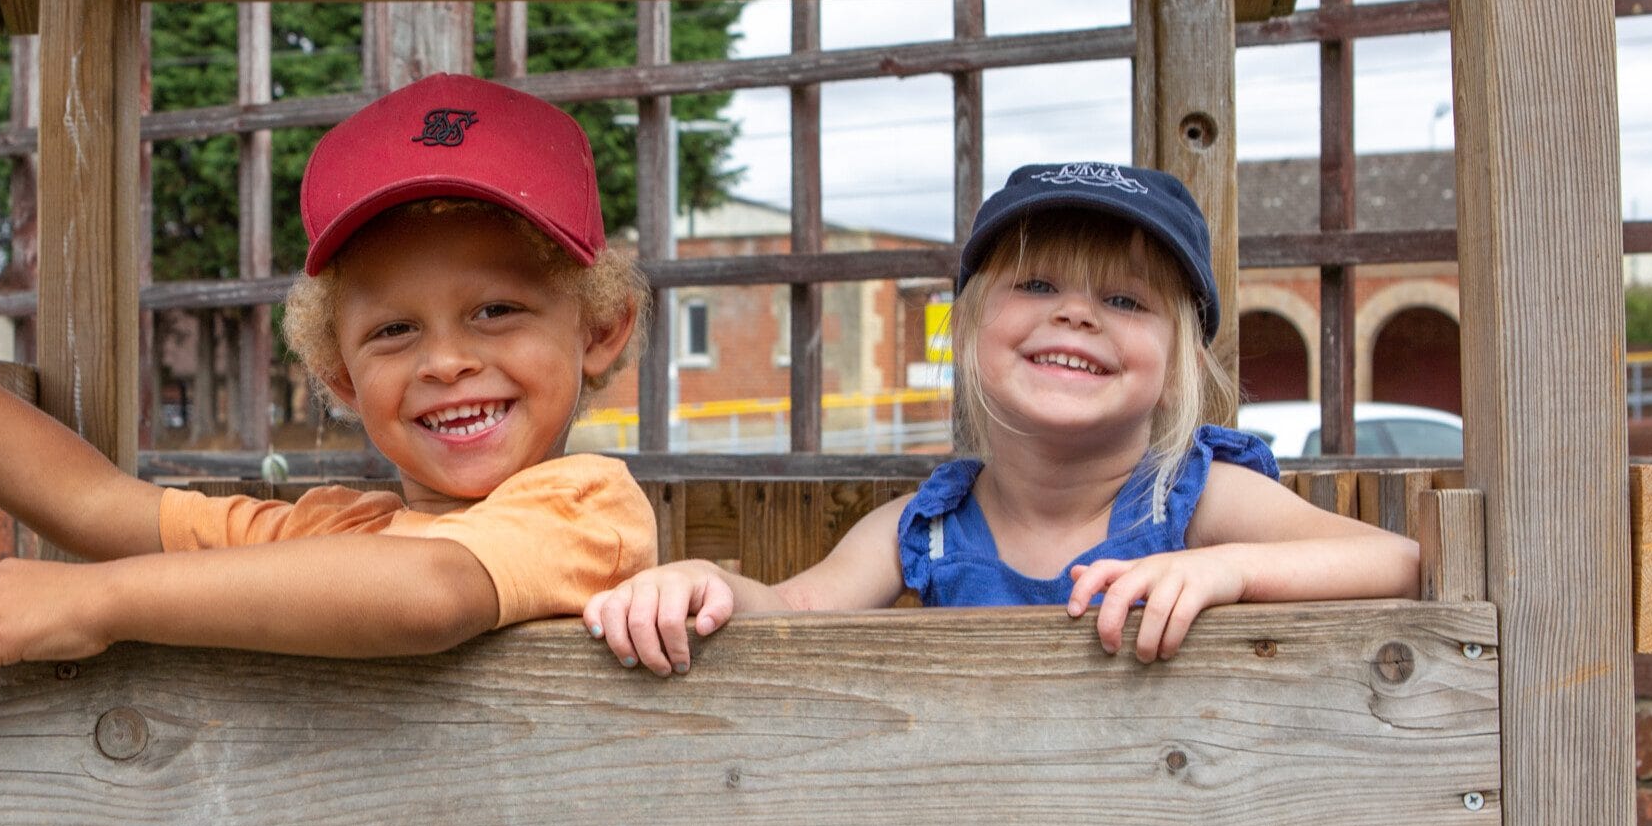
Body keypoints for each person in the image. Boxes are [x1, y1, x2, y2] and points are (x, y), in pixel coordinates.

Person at [0, 73, 654, 716]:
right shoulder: (336, 532)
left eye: (496, 310)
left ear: (599, 329)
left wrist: (98, 598)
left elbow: (432, 591)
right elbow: (94, 503)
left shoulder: (585, 509)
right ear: (340, 374)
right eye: (393, 331)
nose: (445, 362)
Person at [584, 161, 1420, 674]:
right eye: (1037, 285)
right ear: (973, 332)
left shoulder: (1196, 500)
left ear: (1178, 370)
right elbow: (795, 611)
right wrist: (704, 583)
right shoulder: (926, 527)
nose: (1076, 315)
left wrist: (1226, 572)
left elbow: (1397, 560)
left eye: (1124, 299)